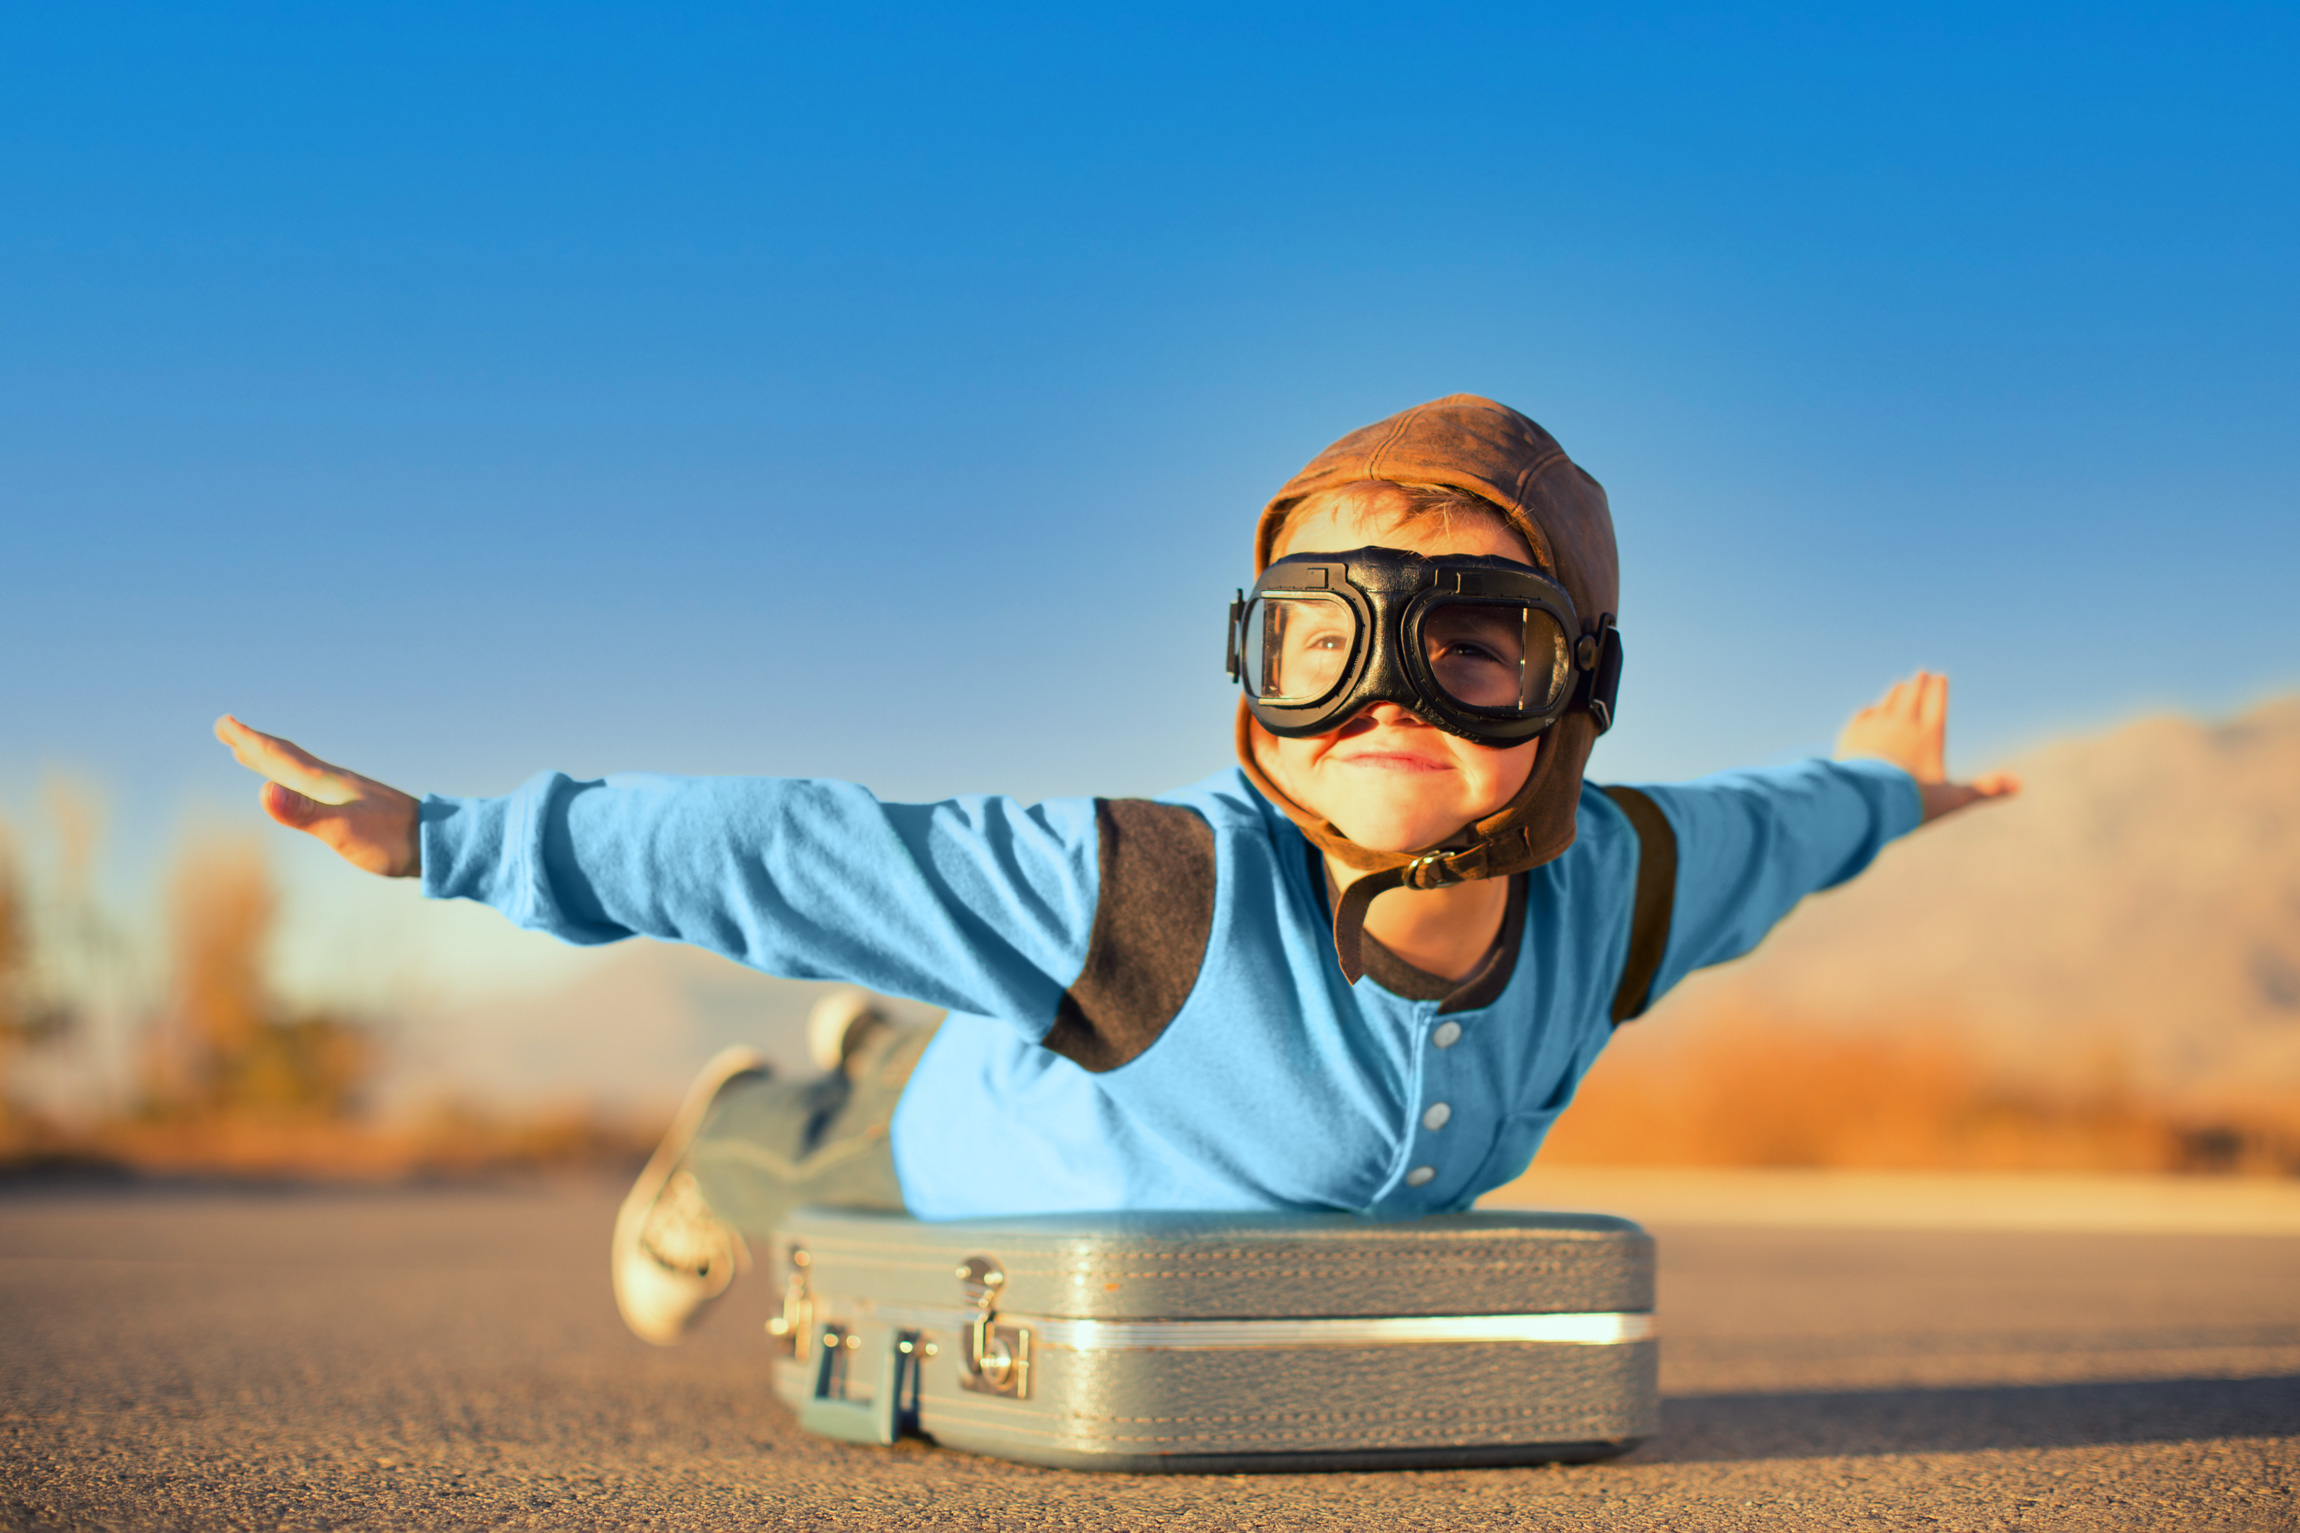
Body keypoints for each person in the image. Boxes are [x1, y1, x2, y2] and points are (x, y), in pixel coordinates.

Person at [214, 395, 2017, 1344]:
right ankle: (760, 1118)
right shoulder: (1154, 891)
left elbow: (1778, 828)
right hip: (969, 1155)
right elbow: (792, 851)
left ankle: (905, 1024)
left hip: (1077, 1070)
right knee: (808, 1165)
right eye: (1325, 640)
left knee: (947, 1014)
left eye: (1478, 644)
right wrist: (449, 839)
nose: (1390, 693)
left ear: (1582, 690)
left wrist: (1880, 792)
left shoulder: (1617, 888)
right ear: (1254, 670)